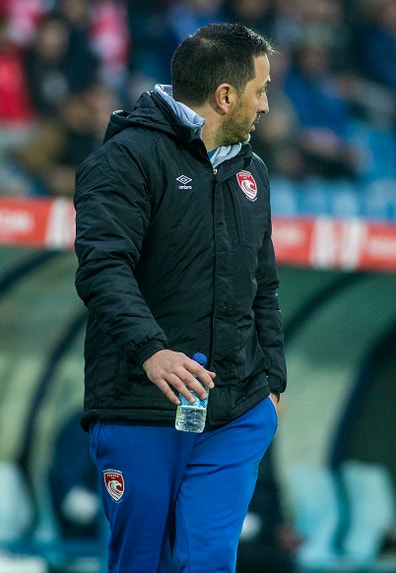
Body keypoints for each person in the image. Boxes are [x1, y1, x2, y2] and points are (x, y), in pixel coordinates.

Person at [73, 22, 286, 573]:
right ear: (225, 96)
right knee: (141, 564)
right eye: (260, 90)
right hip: (141, 405)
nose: (265, 105)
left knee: (209, 563)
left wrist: (273, 382)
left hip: (235, 412)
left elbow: (264, 286)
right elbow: (102, 268)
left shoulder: (253, 173)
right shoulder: (126, 159)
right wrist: (150, 351)